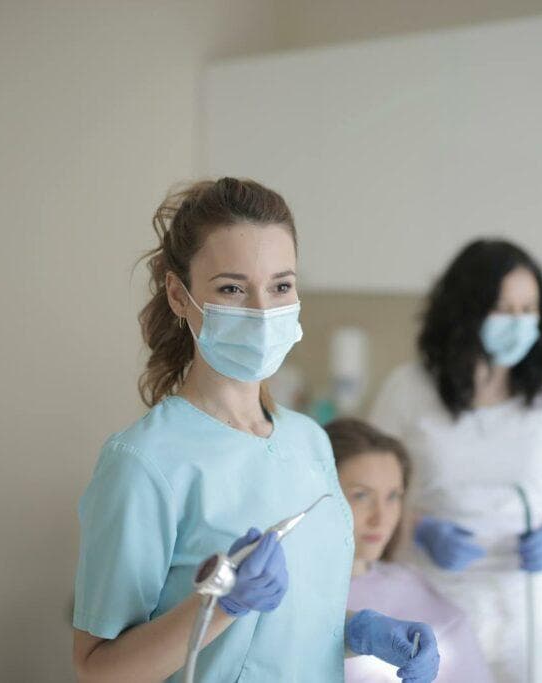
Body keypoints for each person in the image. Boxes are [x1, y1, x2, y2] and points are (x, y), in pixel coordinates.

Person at [71, 178, 440, 683]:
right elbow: (99, 670)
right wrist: (223, 606)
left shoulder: (309, 440)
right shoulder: (145, 461)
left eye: (280, 286)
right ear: (180, 297)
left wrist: (359, 631)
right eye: (231, 288)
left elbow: (286, 630)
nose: (263, 311)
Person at [368, 239, 542, 682]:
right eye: (503, 309)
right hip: (436, 597)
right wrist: (420, 528)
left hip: (532, 607)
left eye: (528, 309)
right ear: (465, 311)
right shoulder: (408, 387)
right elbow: (366, 488)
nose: (518, 323)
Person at [326, 418, 494, 683]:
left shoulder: (419, 594)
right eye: (361, 495)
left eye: (393, 496)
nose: (381, 518)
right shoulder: (285, 593)